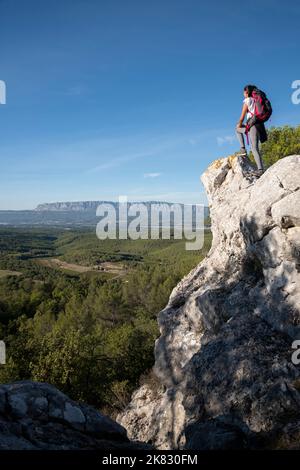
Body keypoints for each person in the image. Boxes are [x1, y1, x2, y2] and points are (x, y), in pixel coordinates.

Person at [236, 84, 268, 175]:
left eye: (243, 91)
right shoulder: (257, 99)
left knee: (237, 129)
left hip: (252, 125)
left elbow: (242, 116)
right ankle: (260, 169)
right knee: (255, 147)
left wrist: (239, 124)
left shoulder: (247, 100)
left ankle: (243, 150)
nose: (243, 93)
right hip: (259, 124)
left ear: (246, 92)